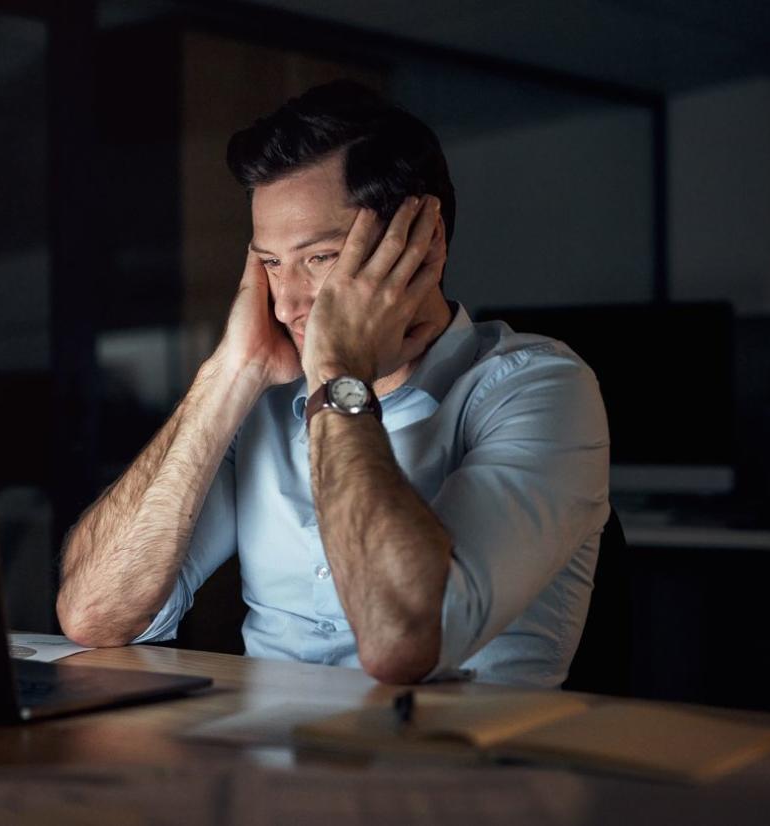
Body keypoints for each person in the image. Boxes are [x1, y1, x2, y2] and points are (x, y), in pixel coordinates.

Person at [56, 79, 609, 687]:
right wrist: (227, 376)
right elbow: (94, 614)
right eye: (270, 263)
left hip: (446, 769)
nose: (288, 302)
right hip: (263, 763)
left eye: (319, 258)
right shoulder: (264, 400)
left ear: (425, 243)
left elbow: (402, 641)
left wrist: (338, 375)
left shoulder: (540, 388)